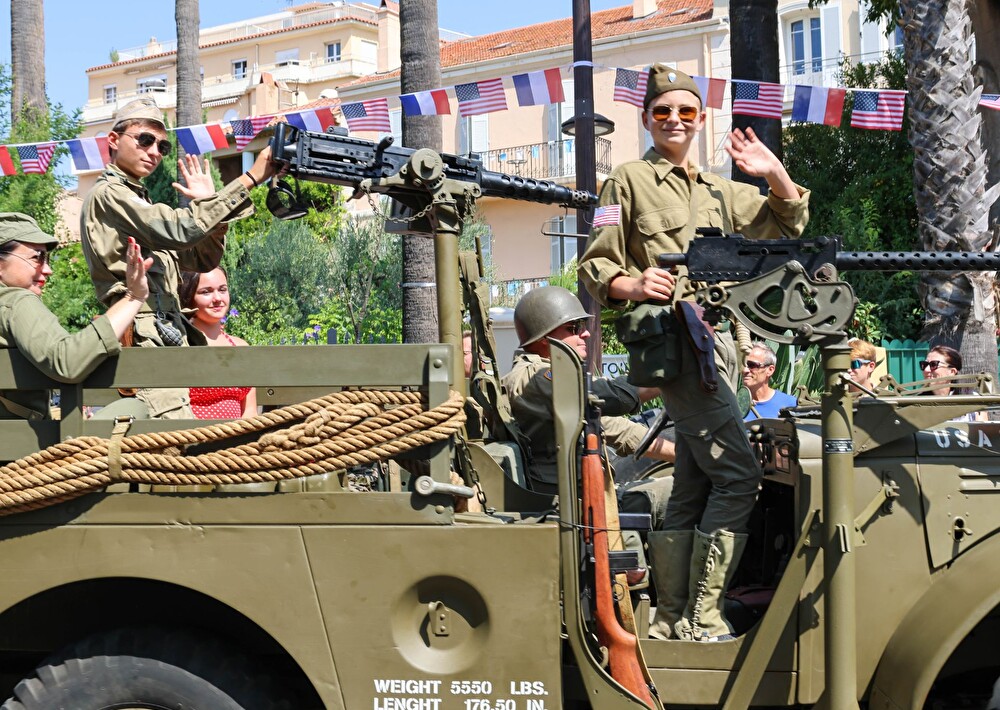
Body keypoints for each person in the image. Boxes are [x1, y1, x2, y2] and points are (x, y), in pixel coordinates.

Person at [579, 64, 809, 641]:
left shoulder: (717, 190)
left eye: (686, 111)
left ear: (701, 119)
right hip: (675, 346)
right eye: (663, 111)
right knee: (739, 476)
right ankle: (702, 616)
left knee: (695, 482)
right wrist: (634, 284)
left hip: (718, 347)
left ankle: (670, 617)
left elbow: (788, 225)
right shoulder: (626, 181)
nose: (675, 120)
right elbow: (594, 264)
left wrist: (775, 173)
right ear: (647, 119)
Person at [80, 97, 279, 419]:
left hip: (166, 333)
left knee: (181, 437)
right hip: (143, 334)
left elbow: (201, 260)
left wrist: (215, 211)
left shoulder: (136, 200)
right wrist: (249, 179)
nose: (155, 151)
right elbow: (180, 229)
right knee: (171, 436)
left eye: (163, 146)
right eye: (145, 140)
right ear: (114, 140)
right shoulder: (110, 195)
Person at [502, 286, 674, 496]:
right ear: (544, 337)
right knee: (673, 492)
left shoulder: (548, 378)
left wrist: (682, 454)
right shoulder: (535, 377)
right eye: (573, 328)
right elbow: (614, 395)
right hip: (564, 502)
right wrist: (673, 375)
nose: (586, 333)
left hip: (578, 493)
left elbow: (615, 428)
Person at [0, 213, 151, 421]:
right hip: (23, 439)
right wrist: (134, 297)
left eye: (47, 258)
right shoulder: (16, 301)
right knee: (133, 406)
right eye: (37, 257)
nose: (48, 269)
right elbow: (67, 362)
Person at [179, 268, 256, 419]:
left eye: (222, 290)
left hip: (237, 433)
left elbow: (250, 411)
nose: (217, 298)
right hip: (190, 432)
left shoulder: (241, 347)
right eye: (206, 292)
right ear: (189, 296)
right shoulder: (181, 345)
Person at [921, 344, 988, 421]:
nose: (926, 370)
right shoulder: (917, 402)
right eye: (924, 364)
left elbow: (981, 427)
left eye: (933, 364)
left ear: (952, 372)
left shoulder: (973, 400)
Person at [743, 342, 797, 420]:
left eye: (752, 365)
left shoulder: (790, 404)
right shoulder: (733, 404)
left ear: (770, 370)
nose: (745, 370)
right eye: (743, 365)